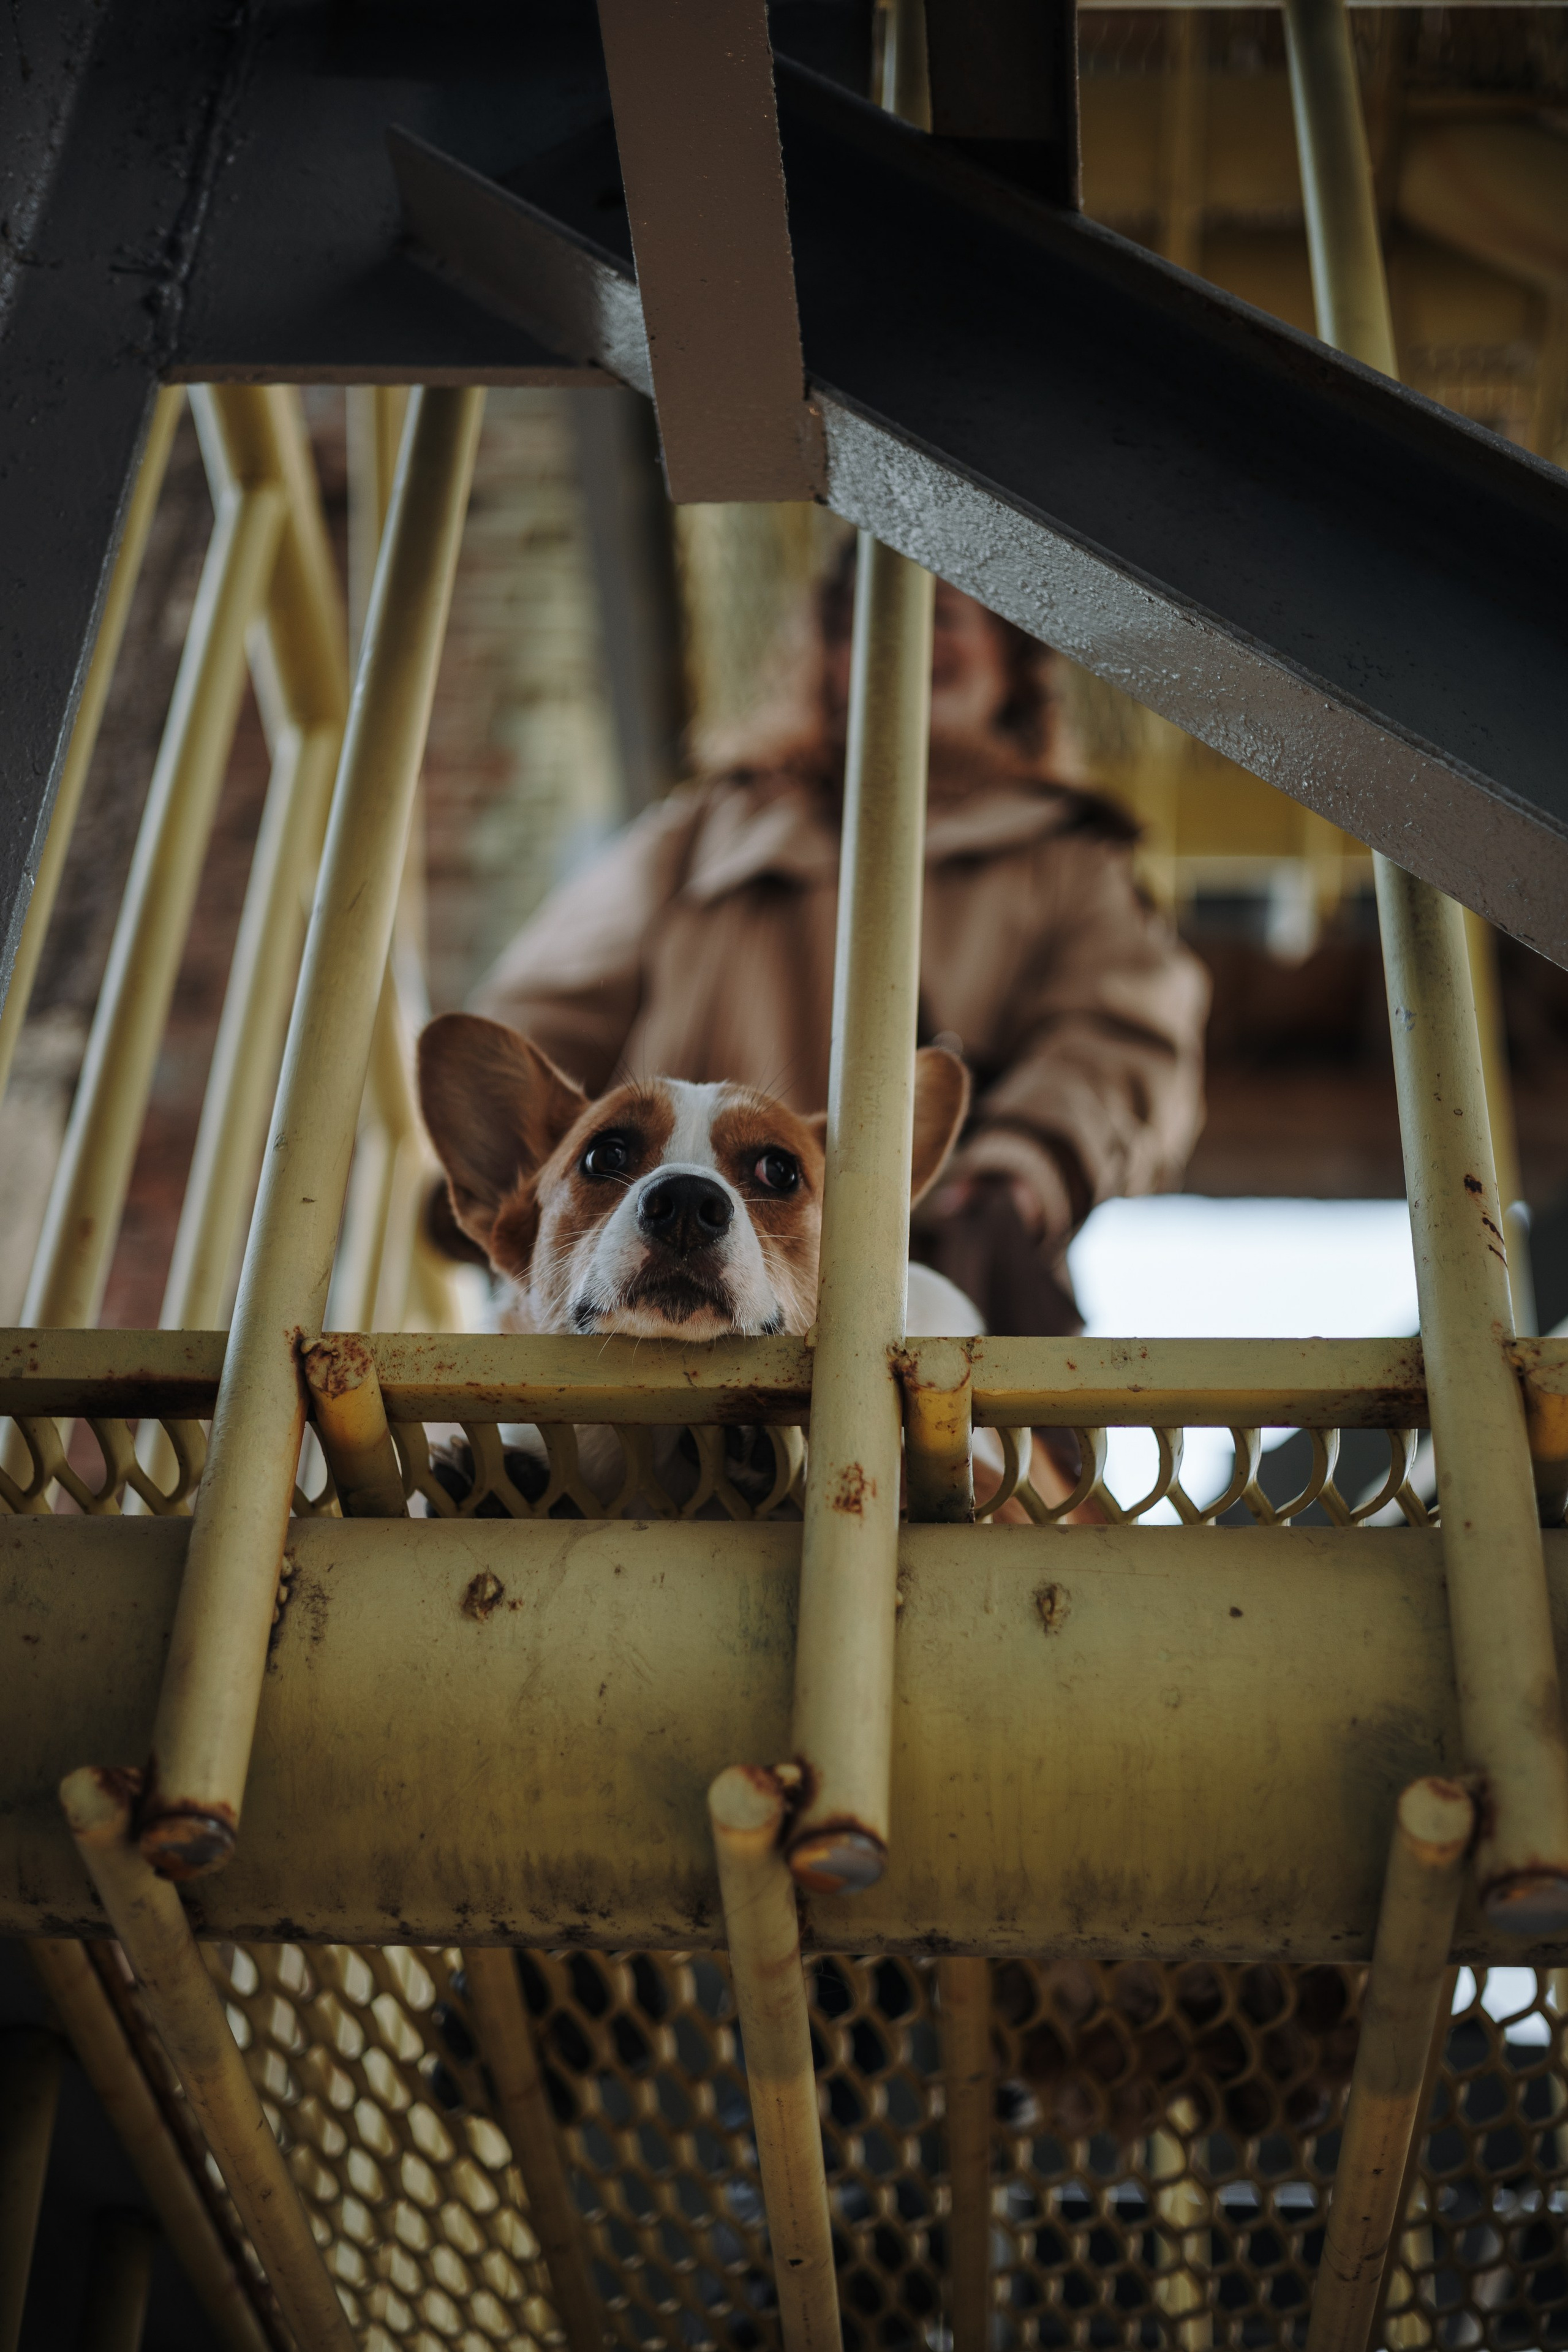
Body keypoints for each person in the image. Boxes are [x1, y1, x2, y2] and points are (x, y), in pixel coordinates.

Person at [467, 548, 1209, 1343]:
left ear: (1012, 666)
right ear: (829, 660)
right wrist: (522, 1175)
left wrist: (1022, 1166)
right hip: (636, 1294)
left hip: (935, 1286)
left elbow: (1124, 1038)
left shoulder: (1070, 859)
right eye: (873, 623)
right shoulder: (710, 826)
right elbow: (551, 1001)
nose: (915, 638)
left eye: (948, 618)